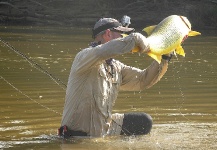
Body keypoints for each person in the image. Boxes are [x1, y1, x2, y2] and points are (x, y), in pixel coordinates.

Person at [58, 17, 172, 138]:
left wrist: (165, 57)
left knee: (144, 122)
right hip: (78, 136)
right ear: (108, 34)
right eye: (120, 34)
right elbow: (104, 51)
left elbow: (143, 80)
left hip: (105, 128)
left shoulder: (116, 67)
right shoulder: (84, 57)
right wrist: (135, 38)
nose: (123, 37)